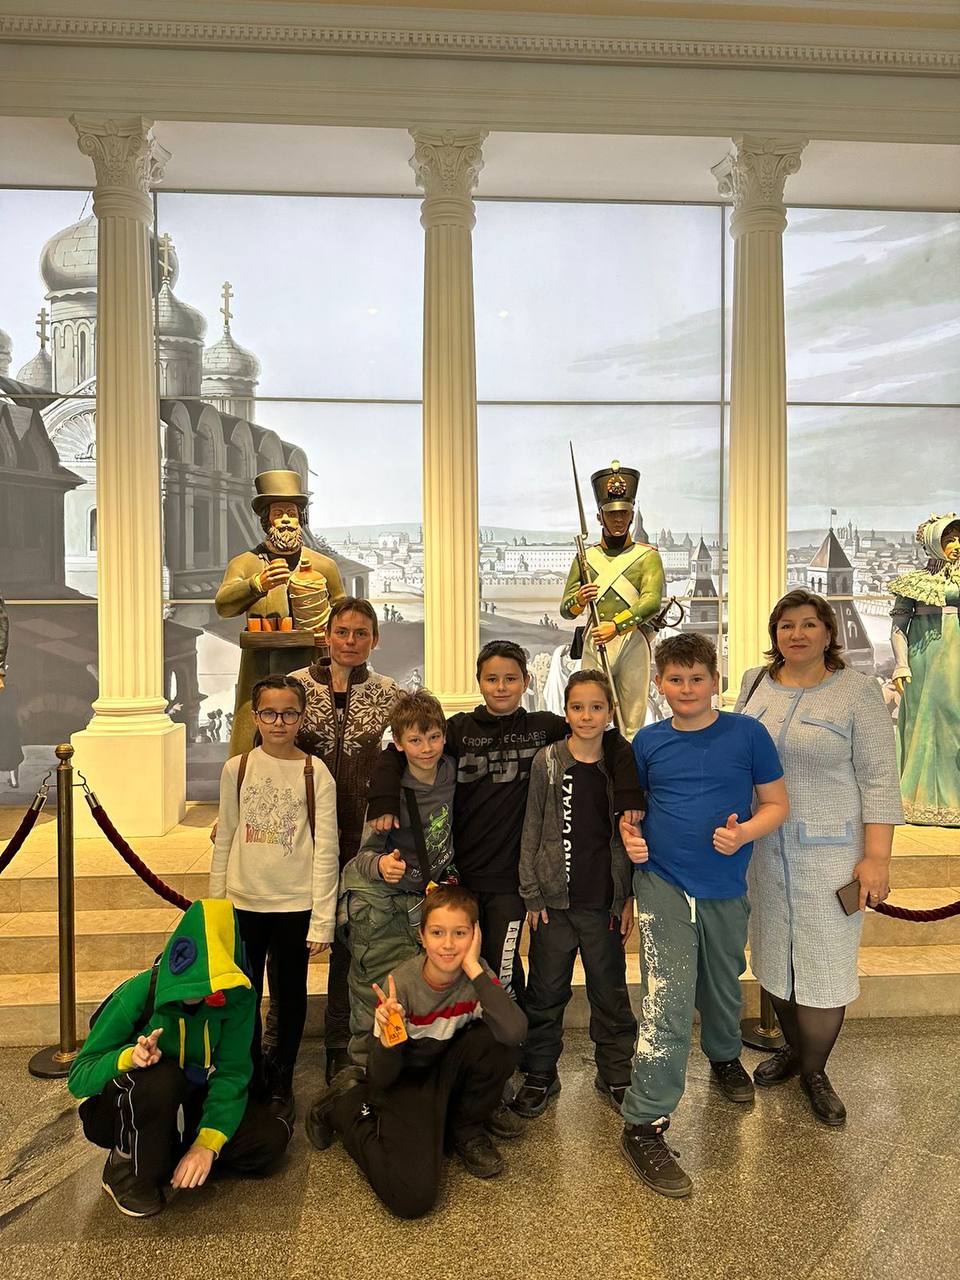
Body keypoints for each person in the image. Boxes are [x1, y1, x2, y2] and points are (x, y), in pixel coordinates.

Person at [619, 633, 788, 1198]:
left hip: (724, 884)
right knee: (667, 996)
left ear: (715, 680)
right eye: (675, 679)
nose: (687, 688)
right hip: (662, 881)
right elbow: (632, 812)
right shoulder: (647, 742)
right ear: (659, 685)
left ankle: (723, 1055)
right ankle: (644, 1120)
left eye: (697, 678)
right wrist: (630, 836)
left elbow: (777, 805)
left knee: (721, 979)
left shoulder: (748, 734)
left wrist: (744, 833)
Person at [735, 589, 903, 1126]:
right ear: (774, 634)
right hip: (763, 851)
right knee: (773, 955)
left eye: (809, 624)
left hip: (832, 857)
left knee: (825, 963)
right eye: (786, 625)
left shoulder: (857, 692)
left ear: (829, 632)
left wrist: (877, 857)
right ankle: (793, 1048)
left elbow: (880, 780)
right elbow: (735, 758)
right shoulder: (754, 684)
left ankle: (815, 1070)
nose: (797, 634)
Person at [366, 640, 573, 1004]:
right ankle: (470, 1029)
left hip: (512, 880)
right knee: (462, 962)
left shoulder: (544, 727)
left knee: (502, 966)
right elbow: (399, 750)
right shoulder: (459, 730)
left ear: (526, 681)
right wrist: (383, 799)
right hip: (461, 876)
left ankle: (508, 1032)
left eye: (511, 678)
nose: (501, 687)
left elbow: (599, 734)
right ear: (479, 681)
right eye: (492, 678)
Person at [305, 887, 527, 1218]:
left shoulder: (477, 973)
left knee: (499, 1039)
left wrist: (474, 968)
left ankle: (464, 1129)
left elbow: (515, 1032)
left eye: (460, 933)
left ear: (475, 935)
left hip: (446, 1070)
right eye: (437, 933)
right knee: (412, 1197)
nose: (448, 944)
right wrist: (390, 1038)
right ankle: (345, 1104)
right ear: (422, 936)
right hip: (404, 1081)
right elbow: (382, 1078)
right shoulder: (402, 985)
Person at [67, 899, 291, 1218]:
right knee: (162, 1078)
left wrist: (206, 1144)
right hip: (132, 1105)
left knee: (269, 1141)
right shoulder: (140, 991)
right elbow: (80, 1078)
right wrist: (129, 1057)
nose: (199, 995)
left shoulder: (238, 998)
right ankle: (125, 1167)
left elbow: (232, 1074)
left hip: (191, 1100)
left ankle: (173, 1155)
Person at [513, 670, 641, 1119]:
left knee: (610, 994)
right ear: (565, 712)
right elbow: (531, 828)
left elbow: (629, 838)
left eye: (596, 707)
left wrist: (626, 898)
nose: (587, 716)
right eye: (578, 707)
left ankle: (616, 1071)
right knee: (545, 993)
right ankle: (540, 1073)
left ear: (610, 712)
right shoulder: (548, 761)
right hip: (553, 907)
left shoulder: (620, 765)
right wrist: (531, 893)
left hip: (603, 905)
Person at [210, 675, 339, 1112]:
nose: (279, 722)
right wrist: (216, 908)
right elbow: (226, 838)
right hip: (244, 902)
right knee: (242, 993)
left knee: (289, 993)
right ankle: (247, 1071)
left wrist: (322, 919)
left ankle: (282, 1075)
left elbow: (326, 848)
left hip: (294, 905)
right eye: (269, 713)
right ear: (255, 716)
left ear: (301, 717)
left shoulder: (315, 772)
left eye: (288, 713)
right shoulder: (237, 768)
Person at [287, 597, 399, 1081]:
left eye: (361, 633)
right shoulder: (294, 686)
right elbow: (264, 752)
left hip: (362, 835)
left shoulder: (389, 693)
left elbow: (406, 756)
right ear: (327, 635)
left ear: (375, 640)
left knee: (350, 939)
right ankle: (280, 1041)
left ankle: (339, 1040)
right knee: (294, 938)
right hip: (300, 834)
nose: (350, 641)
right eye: (342, 631)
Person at [340, 688, 456, 1061]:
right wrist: (381, 866)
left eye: (434, 737)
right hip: (383, 909)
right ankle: (365, 1071)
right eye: (416, 740)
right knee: (375, 996)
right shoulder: (389, 792)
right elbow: (363, 857)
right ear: (400, 743)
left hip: (427, 905)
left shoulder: (453, 773)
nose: (427, 748)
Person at [215, 469, 345, 753]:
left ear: (301, 519)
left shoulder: (324, 566)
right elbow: (223, 605)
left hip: (311, 669)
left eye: (292, 513)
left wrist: (330, 633)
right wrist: (256, 584)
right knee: (253, 747)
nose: (286, 520)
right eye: (278, 513)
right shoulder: (245, 563)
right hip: (259, 670)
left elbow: (342, 610)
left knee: (311, 745)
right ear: (267, 520)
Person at [560, 459, 666, 736]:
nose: (618, 519)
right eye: (611, 514)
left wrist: (617, 626)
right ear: (600, 516)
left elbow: (651, 602)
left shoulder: (647, 556)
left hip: (632, 640)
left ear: (632, 514)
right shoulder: (585, 557)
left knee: (631, 720)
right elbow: (566, 609)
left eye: (624, 513)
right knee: (592, 713)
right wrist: (579, 599)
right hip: (596, 641)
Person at [888, 512, 960, 826]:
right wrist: (901, 664)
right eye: (948, 539)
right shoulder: (915, 583)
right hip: (924, 659)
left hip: (956, 659)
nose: (956, 545)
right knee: (925, 721)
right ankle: (923, 801)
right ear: (933, 543)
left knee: (955, 723)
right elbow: (898, 628)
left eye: (958, 539)